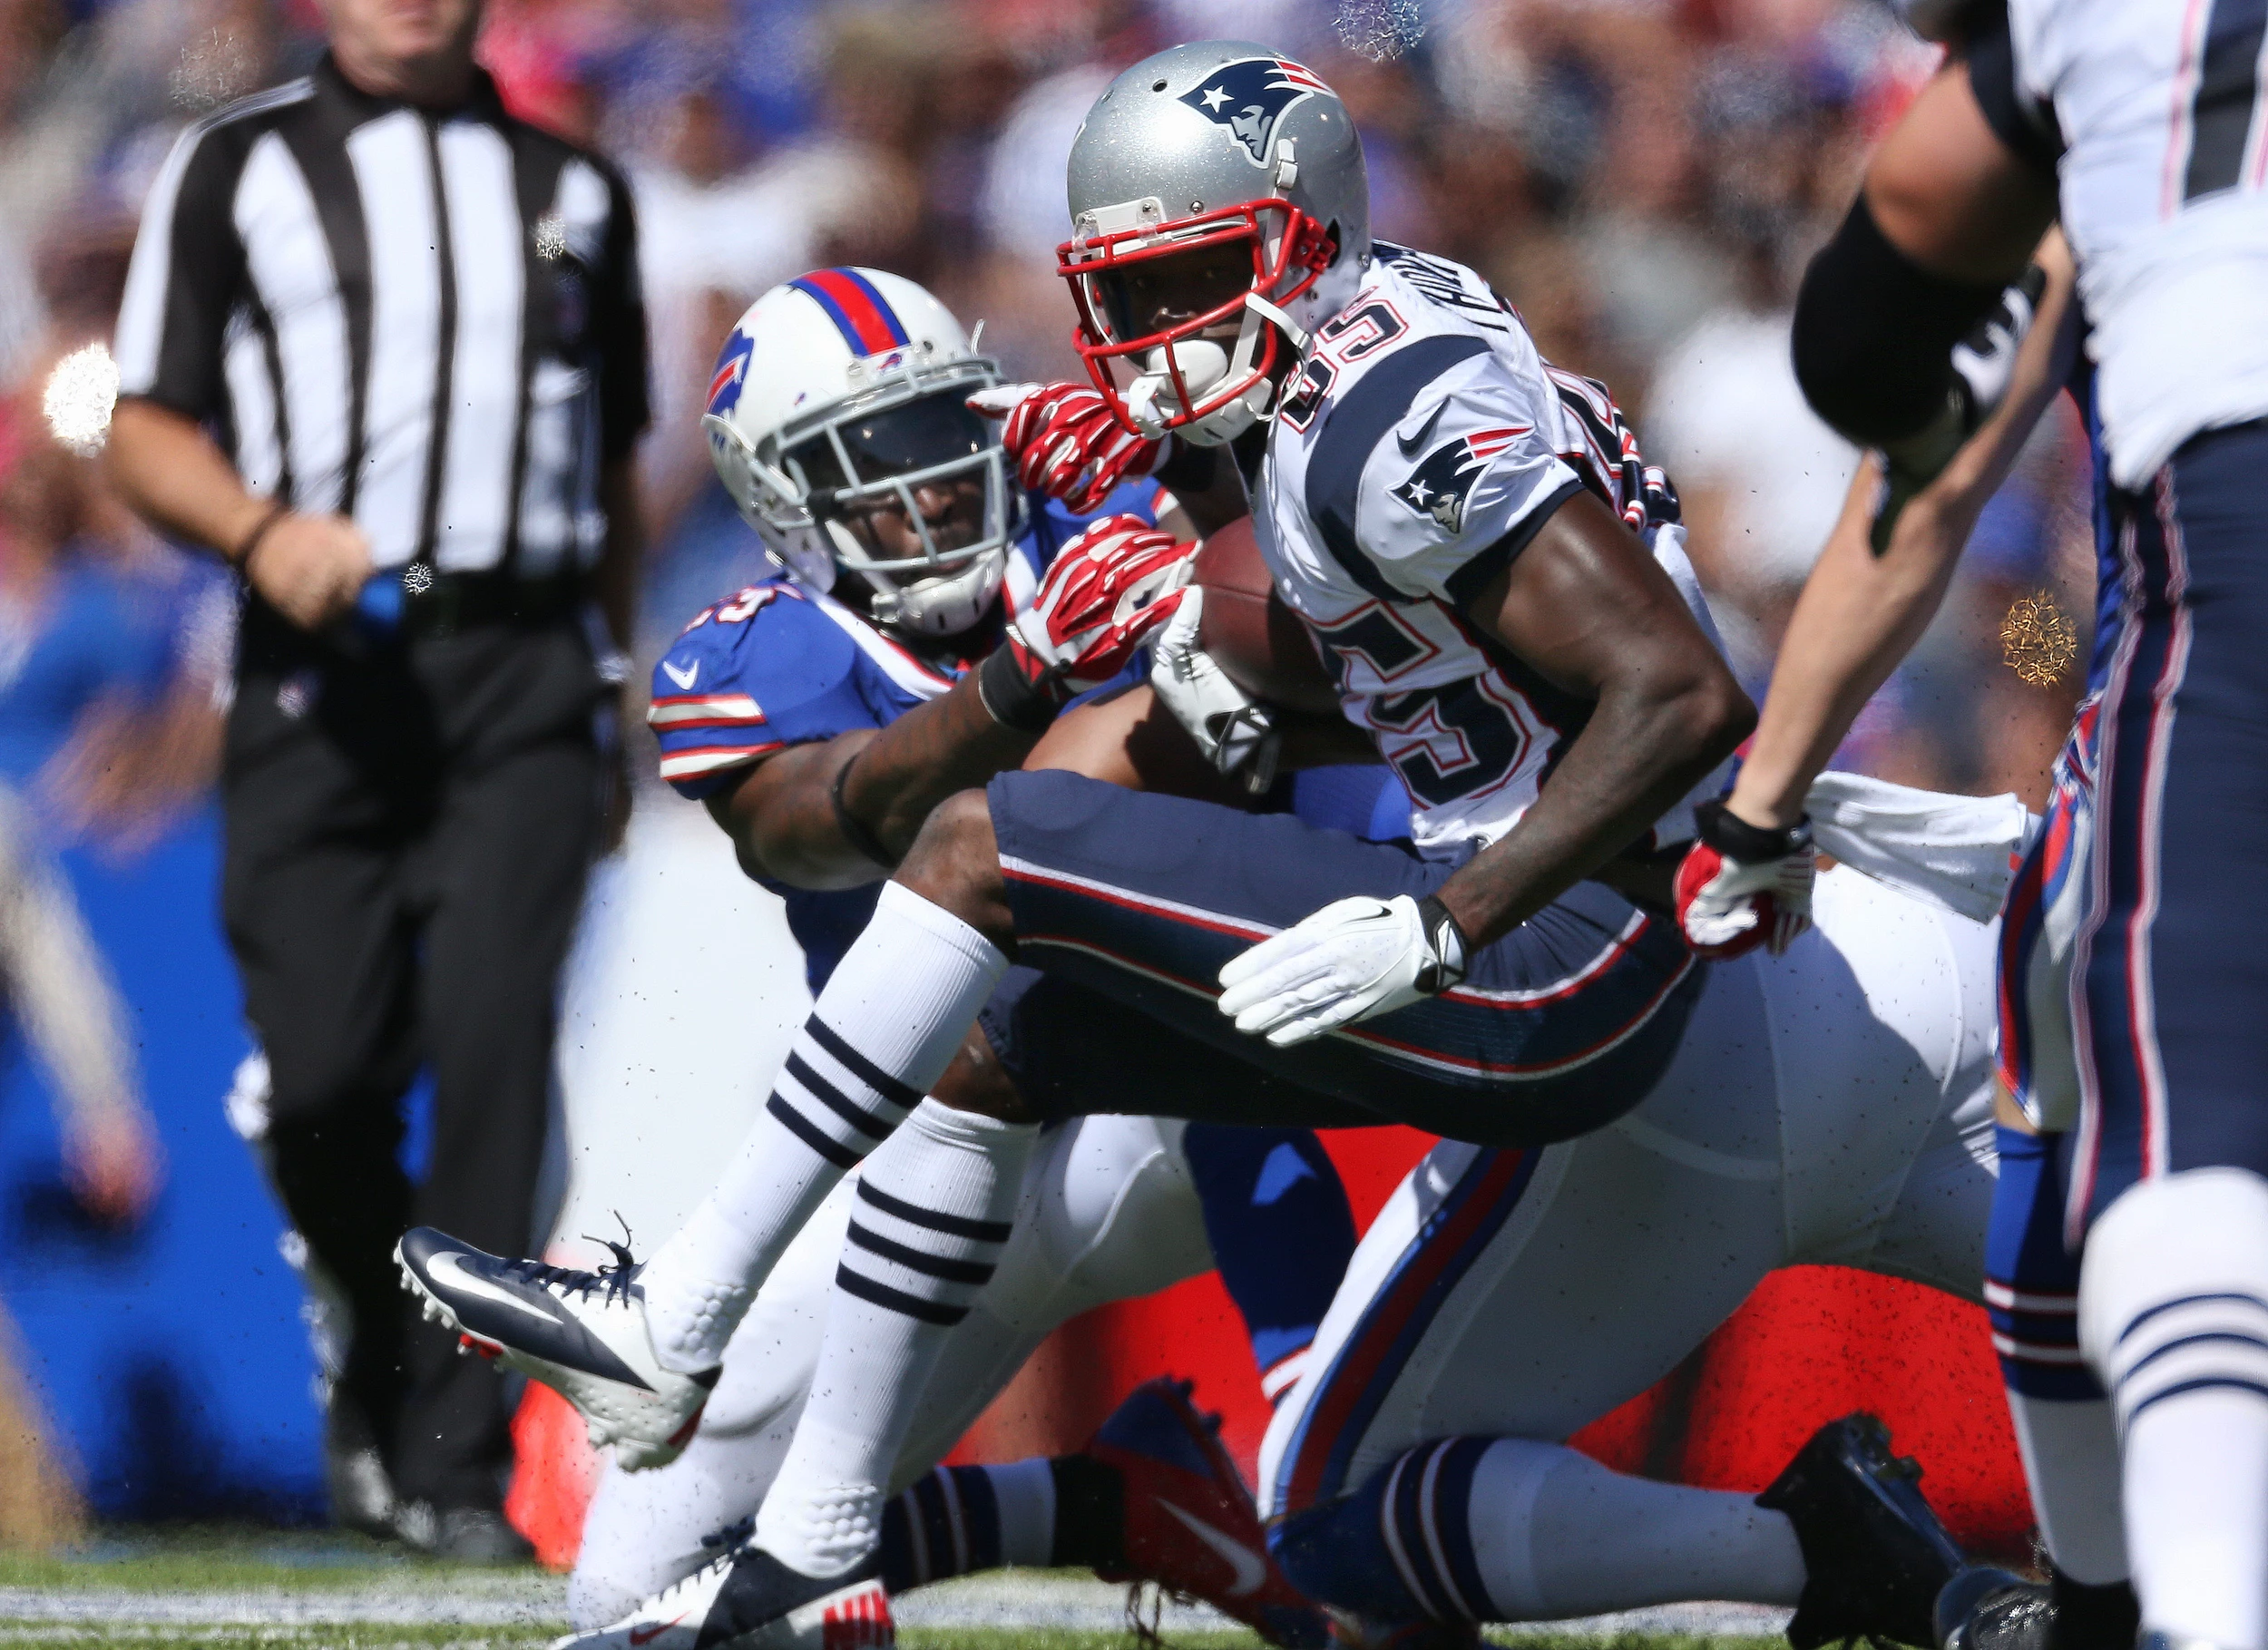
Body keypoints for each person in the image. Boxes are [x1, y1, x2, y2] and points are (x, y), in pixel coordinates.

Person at [402, 43, 2024, 1649]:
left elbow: (1679, 690)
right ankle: (815, 1533)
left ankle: (676, 1313)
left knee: (993, 841)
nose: (1135, 347)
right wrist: (1205, 645)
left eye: (1177, 285)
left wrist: (1447, 917)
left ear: (1297, 238)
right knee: (1019, 1055)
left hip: (1566, 939)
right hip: (1532, 915)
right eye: (1112, 298)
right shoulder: (1341, 358)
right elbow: (1387, 638)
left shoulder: (1379, 409)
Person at [414, 264, 1355, 1641]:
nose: (930, 485)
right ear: (785, 500)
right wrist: (1019, 678)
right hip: (927, 1178)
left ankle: (1330, 1460)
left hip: (1127, 1120)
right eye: (874, 460)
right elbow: (814, 824)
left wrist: (1194, 472)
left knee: (1185, 1028)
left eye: (941, 433)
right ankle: (1106, 1503)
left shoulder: (1089, 521)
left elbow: (1309, 600)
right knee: (637, 1590)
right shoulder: (758, 652)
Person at [1707, 0, 2268, 1645]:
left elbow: (1904, 428)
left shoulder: (2083, 49)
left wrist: (1759, 799)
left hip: (2228, 553)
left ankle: (2140, 1606)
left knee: (2132, 1080)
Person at [103, 0, 648, 1558]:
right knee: (323, 1067)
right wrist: (265, 535)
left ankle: (458, 1465)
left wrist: (608, 694)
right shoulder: (237, 165)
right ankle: (372, 1329)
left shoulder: (578, 191)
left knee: (491, 1043)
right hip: (314, 666)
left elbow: (609, 468)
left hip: (528, 668)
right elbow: (140, 428)